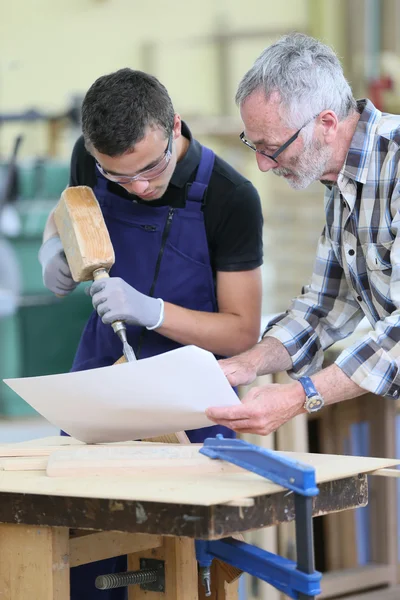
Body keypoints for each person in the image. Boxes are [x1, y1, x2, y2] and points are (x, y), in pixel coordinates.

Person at [38, 68, 263, 599]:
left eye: (151, 169)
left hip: (190, 400)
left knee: (187, 567)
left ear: (174, 128)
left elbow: (241, 333)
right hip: (101, 381)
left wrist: (153, 311)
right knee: (82, 550)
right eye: (119, 178)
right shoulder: (90, 159)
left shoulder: (230, 198)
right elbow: (64, 214)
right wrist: (55, 248)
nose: (138, 186)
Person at [206, 32, 400, 437]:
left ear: (327, 124)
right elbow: (324, 307)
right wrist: (252, 361)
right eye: (253, 144)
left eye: (271, 147)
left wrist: (301, 395)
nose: (261, 164)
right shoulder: (342, 182)